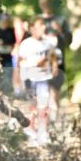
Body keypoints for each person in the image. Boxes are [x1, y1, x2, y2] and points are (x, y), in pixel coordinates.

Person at [17, 17, 59, 147]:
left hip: (44, 79)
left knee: (44, 108)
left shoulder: (48, 42)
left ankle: (43, 134)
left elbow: (52, 55)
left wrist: (54, 66)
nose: (43, 28)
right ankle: (31, 133)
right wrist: (34, 64)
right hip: (30, 79)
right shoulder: (26, 44)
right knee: (33, 109)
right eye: (40, 26)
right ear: (32, 29)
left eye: (43, 26)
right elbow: (20, 62)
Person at [38, 0, 72, 116]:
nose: (46, 6)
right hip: (40, 59)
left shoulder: (61, 20)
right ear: (40, 5)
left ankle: (55, 114)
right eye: (44, 4)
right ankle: (45, 114)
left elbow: (69, 41)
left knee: (56, 86)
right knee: (43, 87)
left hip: (58, 59)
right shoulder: (37, 21)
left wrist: (60, 31)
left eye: (48, 3)